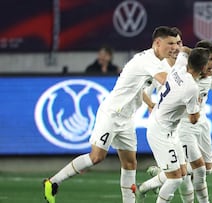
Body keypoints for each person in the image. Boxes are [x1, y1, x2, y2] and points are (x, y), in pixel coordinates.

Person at [43, 26, 180, 203]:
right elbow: (166, 82)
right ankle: (52, 182)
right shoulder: (149, 60)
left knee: (130, 163)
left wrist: (149, 103)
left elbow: (137, 87)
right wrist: (188, 78)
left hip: (127, 118)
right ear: (157, 43)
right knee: (96, 157)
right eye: (170, 43)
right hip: (112, 114)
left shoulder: (157, 61)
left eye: (177, 43)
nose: (174, 47)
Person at [137, 41, 212, 203]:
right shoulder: (189, 83)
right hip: (180, 127)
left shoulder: (184, 68)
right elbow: (192, 118)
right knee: (187, 174)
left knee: (203, 169)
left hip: (189, 125)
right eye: (210, 60)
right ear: (202, 63)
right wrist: (193, 105)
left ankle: (162, 174)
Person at [142, 47, 210, 202]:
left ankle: (145, 187)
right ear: (204, 67)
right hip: (160, 130)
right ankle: (154, 183)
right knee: (175, 179)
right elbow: (193, 119)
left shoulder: (178, 67)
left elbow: (184, 49)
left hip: (169, 129)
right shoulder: (192, 88)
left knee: (183, 172)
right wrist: (198, 106)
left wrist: (195, 54)